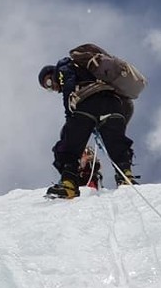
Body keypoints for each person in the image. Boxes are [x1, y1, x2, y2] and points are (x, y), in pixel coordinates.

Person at [39, 57, 137, 199]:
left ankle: (69, 184)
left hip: (88, 101)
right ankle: (126, 176)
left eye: (48, 82)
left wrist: (70, 113)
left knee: (68, 146)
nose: (51, 88)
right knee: (116, 142)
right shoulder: (87, 70)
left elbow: (68, 84)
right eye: (48, 88)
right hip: (114, 102)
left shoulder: (63, 68)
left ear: (52, 73)